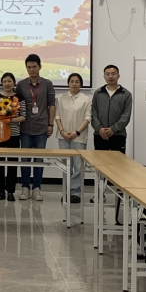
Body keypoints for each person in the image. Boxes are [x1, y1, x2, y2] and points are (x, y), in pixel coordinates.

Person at [17, 54, 55, 201]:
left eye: (34, 66)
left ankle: (37, 188)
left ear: (40, 67)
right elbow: (16, 105)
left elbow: (51, 105)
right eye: (29, 67)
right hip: (25, 127)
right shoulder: (21, 84)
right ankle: (25, 187)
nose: (31, 69)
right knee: (25, 159)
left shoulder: (47, 84)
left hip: (41, 127)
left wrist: (50, 124)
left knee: (39, 159)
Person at [56, 72, 91, 204]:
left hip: (79, 137)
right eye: (71, 81)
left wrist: (77, 132)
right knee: (65, 166)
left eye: (77, 81)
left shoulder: (86, 99)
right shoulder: (61, 98)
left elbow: (88, 118)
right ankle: (66, 192)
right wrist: (62, 131)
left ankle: (75, 192)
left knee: (78, 166)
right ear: (68, 83)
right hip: (63, 137)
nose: (74, 84)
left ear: (81, 84)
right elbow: (57, 116)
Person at [0, 73, 26, 202]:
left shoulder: (19, 98)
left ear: (14, 83)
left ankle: (11, 191)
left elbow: (23, 117)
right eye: (4, 81)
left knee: (12, 163)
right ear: (1, 83)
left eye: (9, 81)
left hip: (14, 134)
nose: (7, 83)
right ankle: (0, 190)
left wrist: (9, 120)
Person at [91, 64, 132, 153]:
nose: (110, 76)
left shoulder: (126, 94)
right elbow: (93, 113)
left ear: (118, 76)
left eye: (113, 74)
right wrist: (100, 129)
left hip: (118, 135)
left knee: (117, 161)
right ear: (104, 76)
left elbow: (126, 115)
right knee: (99, 160)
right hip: (99, 134)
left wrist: (113, 129)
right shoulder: (98, 93)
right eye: (107, 74)